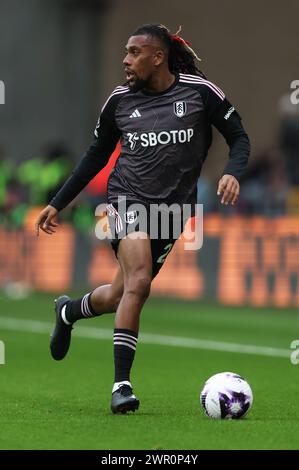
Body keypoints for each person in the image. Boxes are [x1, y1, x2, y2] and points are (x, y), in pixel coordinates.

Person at [35, 23, 250, 414]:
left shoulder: (201, 93)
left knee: (119, 294)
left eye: (134, 52)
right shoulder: (119, 101)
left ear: (158, 57)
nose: (126, 60)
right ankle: (121, 386)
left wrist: (233, 171)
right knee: (138, 283)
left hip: (173, 212)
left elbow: (239, 137)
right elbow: (95, 157)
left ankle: (68, 312)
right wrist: (58, 201)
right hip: (124, 201)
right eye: (125, 52)